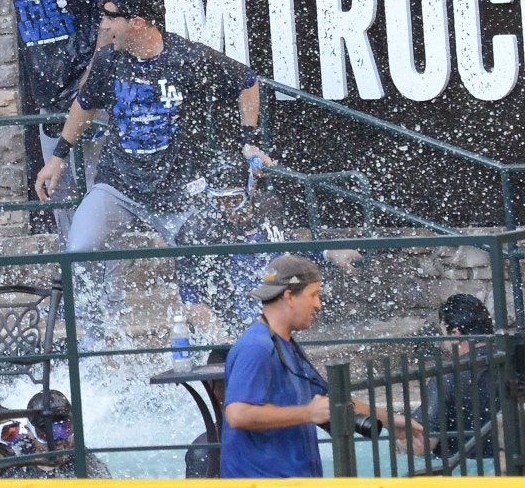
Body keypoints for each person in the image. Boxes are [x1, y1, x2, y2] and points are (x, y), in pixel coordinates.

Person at [34, 0, 273, 347]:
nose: (104, 25)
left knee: (200, 269)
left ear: (139, 22)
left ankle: (219, 351)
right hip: (118, 185)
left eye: (111, 18)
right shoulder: (110, 61)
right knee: (77, 250)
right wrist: (57, 157)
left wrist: (249, 141)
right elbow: (85, 104)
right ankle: (93, 343)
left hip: (177, 190)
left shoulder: (187, 57)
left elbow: (247, 81)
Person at [221, 255, 422, 478]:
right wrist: (307, 413)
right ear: (289, 297)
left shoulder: (286, 343)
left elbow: (332, 400)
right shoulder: (256, 347)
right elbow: (238, 414)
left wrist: (390, 420)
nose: (318, 304)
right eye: (313, 295)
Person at [8, 0, 122, 244]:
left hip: (91, 96)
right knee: (61, 201)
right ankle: (79, 297)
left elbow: (113, 13)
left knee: (101, 201)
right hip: (49, 101)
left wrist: (94, 76)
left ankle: (110, 299)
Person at [175, 161, 361, 340]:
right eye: (218, 202)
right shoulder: (195, 232)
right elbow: (190, 300)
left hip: (271, 325)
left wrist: (327, 253)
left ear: (251, 187)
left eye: (234, 200)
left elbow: (286, 246)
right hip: (225, 331)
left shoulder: (269, 206)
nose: (227, 210)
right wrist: (228, 342)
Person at [411, 293, 498, 460]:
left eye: (444, 333)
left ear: (456, 334)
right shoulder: (510, 360)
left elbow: (422, 445)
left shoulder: (448, 376)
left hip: (464, 469)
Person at [0, 390, 111, 479]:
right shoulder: (16, 451)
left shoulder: (87, 466)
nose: (58, 441)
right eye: (47, 434)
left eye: (65, 429)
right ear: (30, 432)